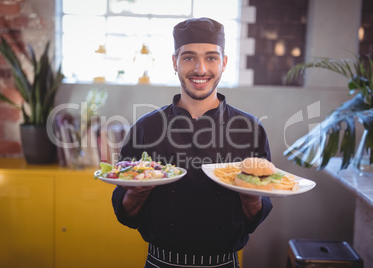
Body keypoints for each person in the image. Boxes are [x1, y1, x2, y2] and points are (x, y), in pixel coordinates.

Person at [112, 17, 273, 268]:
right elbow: (126, 215)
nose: (200, 69)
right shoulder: (146, 128)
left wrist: (250, 196)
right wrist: (136, 193)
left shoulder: (250, 130)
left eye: (211, 57)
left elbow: (256, 217)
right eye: (188, 57)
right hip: (161, 262)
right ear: (175, 62)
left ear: (224, 63)